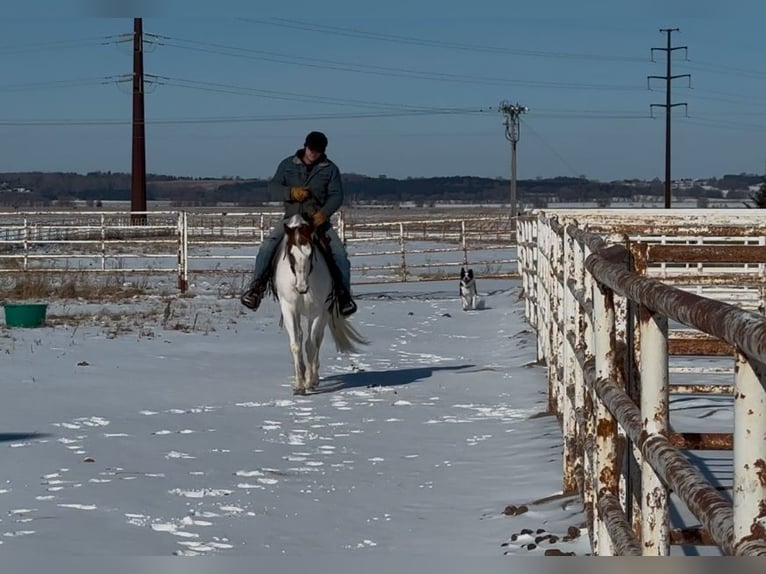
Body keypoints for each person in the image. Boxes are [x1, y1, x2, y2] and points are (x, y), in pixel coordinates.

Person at [240, 131, 357, 316]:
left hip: (317, 220)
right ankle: (256, 287)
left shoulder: (330, 169)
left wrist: (324, 214)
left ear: (323, 152)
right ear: (305, 146)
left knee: (340, 254)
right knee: (267, 246)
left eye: (317, 151)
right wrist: (291, 193)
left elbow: (337, 195)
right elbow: (273, 187)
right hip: (291, 219)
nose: (313, 154)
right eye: (311, 149)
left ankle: (343, 296)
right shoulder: (287, 165)